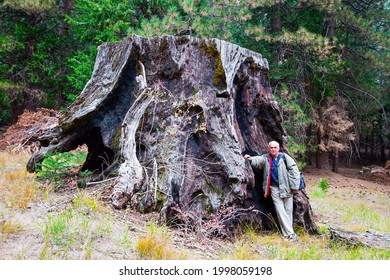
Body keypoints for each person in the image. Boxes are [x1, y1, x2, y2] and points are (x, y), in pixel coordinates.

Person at [244, 141, 300, 241]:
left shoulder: (285, 157)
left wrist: (295, 186)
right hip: (274, 188)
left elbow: (294, 170)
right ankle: (291, 234)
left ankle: (287, 235)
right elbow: (258, 160)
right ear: (269, 149)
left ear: (278, 148)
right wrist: (250, 159)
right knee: (280, 210)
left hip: (287, 187)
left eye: (275, 147)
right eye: (271, 148)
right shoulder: (266, 158)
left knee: (288, 210)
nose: (273, 149)